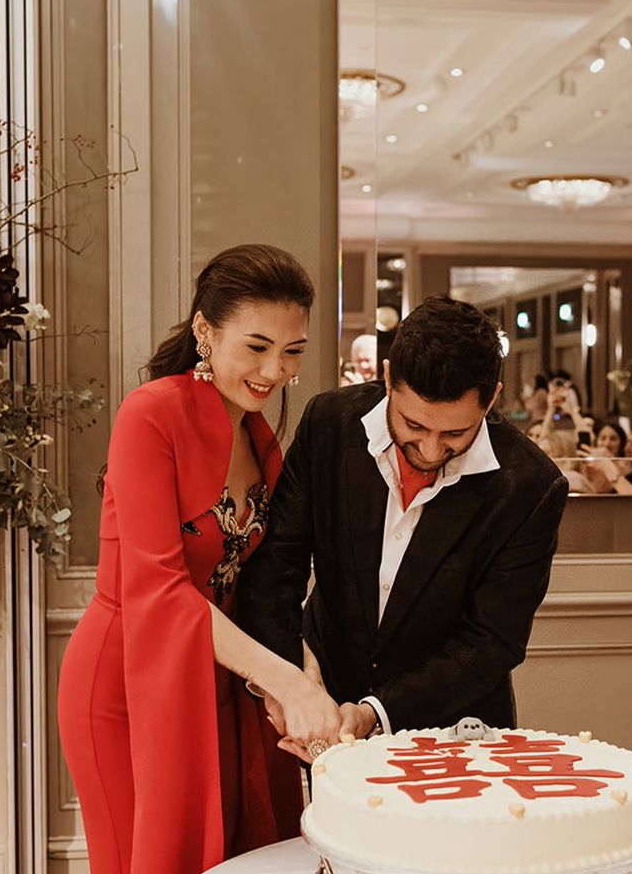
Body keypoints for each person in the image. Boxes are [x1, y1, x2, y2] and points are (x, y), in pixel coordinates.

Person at [57, 245, 343, 874]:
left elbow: (259, 580)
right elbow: (156, 584)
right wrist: (288, 682)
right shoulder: (149, 414)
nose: (276, 371)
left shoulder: (260, 434)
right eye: (258, 346)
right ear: (205, 332)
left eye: (294, 351)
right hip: (128, 677)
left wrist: (302, 670)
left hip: (218, 677)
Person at [238, 295, 569, 742]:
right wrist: (292, 677)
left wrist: (378, 712)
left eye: (455, 433)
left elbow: (493, 640)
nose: (431, 450)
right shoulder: (330, 425)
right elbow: (277, 562)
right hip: (329, 707)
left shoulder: (529, 486)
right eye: (414, 425)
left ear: (491, 399)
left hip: (456, 729)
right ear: (389, 377)